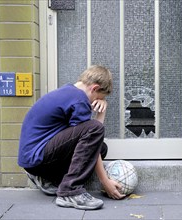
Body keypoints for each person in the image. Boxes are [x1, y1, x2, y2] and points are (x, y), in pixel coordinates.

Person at [18, 65, 125, 210]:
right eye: (98, 98)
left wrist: (101, 112)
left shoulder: (69, 92)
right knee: (95, 131)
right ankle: (70, 192)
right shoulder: (79, 100)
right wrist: (105, 181)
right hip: (38, 159)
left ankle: (48, 179)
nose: (96, 102)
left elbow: (92, 141)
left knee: (101, 148)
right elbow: (93, 132)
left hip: (34, 160)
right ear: (94, 88)